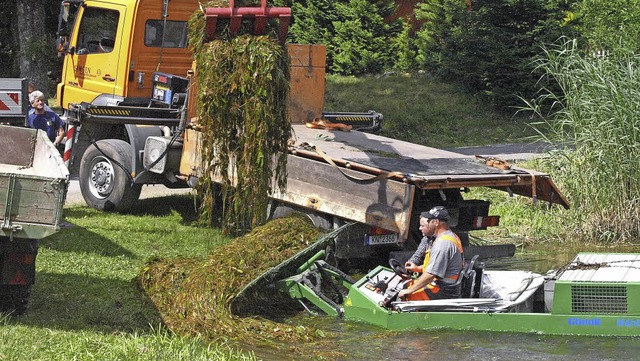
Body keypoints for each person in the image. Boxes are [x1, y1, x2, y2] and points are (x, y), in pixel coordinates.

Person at [398, 206, 464, 301]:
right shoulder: (450, 236)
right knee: (406, 285)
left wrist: (409, 291)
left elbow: (430, 275)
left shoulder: (443, 244)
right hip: (446, 285)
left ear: (436, 222)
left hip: (442, 290)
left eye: (424, 224)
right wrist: (417, 268)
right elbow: (440, 266)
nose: (420, 228)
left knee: (402, 297)